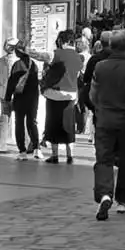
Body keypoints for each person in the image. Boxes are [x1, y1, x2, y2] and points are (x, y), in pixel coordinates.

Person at [90, 31, 125, 220]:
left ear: (109, 46)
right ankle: (124, 201)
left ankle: (105, 193)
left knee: (103, 159)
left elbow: (93, 94)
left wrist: (100, 108)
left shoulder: (100, 67)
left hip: (105, 119)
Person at [41, 33, 83, 163]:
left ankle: (55, 155)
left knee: (53, 124)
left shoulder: (57, 54)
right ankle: (70, 155)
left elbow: (42, 57)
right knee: (69, 125)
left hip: (54, 93)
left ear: (61, 41)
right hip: (70, 94)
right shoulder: (78, 57)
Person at [4, 43, 42, 159]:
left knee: (19, 123)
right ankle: (37, 148)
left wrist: (7, 98)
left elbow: (11, 83)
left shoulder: (17, 65)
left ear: (19, 52)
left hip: (20, 98)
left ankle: (22, 151)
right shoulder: (34, 64)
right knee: (32, 122)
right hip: (33, 98)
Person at [0, 40, 19, 155]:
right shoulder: (19, 61)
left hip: (3, 93)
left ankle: (1, 145)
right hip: (17, 94)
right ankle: (26, 144)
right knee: (21, 119)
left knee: (4, 117)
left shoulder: (0, 61)